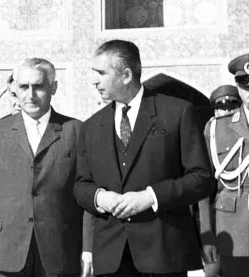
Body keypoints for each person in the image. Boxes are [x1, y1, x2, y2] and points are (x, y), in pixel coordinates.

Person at [75, 39, 213, 277]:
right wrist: (100, 198)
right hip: (112, 257)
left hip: (164, 252)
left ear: (126, 75)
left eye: (101, 73)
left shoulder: (177, 113)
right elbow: (81, 185)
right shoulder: (91, 126)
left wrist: (150, 197)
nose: (94, 80)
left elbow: (201, 178)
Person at [0, 57, 92, 277]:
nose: (31, 94)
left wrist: (88, 249)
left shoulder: (76, 131)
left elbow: (86, 194)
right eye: (24, 87)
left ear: (53, 87)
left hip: (61, 251)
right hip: (6, 251)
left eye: (38, 86)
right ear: (15, 89)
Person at [199, 53, 249, 277]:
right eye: (248, 86)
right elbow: (204, 188)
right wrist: (207, 235)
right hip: (232, 235)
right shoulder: (216, 129)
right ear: (238, 88)